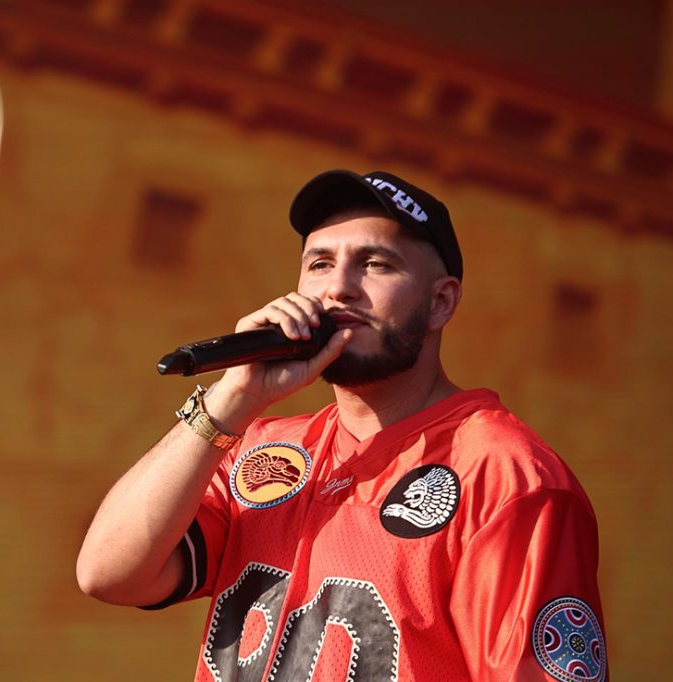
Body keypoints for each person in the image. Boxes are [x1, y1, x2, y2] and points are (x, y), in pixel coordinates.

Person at [77, 170, 607, 682]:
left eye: (375, 264)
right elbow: (109, 574)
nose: (339, 288)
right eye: (320, 263)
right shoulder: (260, 447)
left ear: (440, 301)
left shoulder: (508, 476)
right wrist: (232, 398)